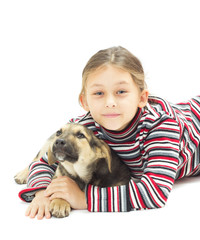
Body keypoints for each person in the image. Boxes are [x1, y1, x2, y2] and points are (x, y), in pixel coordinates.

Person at [18, 46, 200, 219]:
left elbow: (154, 192)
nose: (110, 102)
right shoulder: (85, 127)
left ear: (142, 97)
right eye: (99, 93)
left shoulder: (161, 126)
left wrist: (84, 199)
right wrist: (43, 194)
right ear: (85, 102)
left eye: (121, 91)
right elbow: (44, 162)